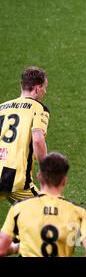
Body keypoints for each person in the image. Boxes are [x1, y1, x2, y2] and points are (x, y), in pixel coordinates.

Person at [0, 152, 86, 257]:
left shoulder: (19, 208)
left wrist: (16, 248)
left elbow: (2, 249)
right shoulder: (79, 213)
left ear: (39, 177)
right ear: (64, 181)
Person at [0, 66, 49, 204]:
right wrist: (46, 169)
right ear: (37, 88)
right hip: (15, 179)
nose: (45, 91)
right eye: (45, 87)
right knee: (45, 213)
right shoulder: (38, 108)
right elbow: (38, 140)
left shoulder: (2, 107)